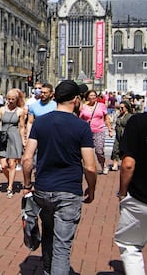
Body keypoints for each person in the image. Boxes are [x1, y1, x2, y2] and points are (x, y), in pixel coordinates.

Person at [22, 80, 97, 275]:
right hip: (69, 190)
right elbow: (90, 166)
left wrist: (27, 184)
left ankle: (48, 271)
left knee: (48, 236)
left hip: (44, 189)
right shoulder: (81, 127)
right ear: (76, 99)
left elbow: (27, 158)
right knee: (62, 247)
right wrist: (91, 188)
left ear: (55, 97)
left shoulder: (41, 121)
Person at [114, 73, 147, 275]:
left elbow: (127, 164)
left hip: (142, 197)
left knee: (130, 245)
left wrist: (122, 191)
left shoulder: (138, 122)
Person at [0, 88, 26, 198]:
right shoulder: (2, 110)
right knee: (3, 165)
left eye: (13, 99)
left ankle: (10, 187)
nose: (10, 101)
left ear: (17, 99)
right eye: (9, 99)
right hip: (4, 138)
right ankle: (9, 179)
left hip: (15, 137)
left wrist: (23, 139)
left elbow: (21, 127)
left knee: (12, 163)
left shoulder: (20, 111)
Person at [79, 90, 114, 174]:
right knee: (86, 151)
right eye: (91, 95)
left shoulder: (101, 106)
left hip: (99, 130)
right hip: (87, 131)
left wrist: (110, 129)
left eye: (94, 95)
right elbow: (80, 119)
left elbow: (106, 118)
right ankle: (89, 167)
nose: (93, 97)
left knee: (99, 150)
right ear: (87, 97)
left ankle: (103, 165)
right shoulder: (84, 107)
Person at [110, 101, 132, 171]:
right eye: (119, 108)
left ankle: (125, 165)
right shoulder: (119, 115)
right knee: (115, 150)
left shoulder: (130, 116)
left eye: (122, 108)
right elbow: (115, 124)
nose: (120, 109)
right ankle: (115, 165)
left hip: (126, 136)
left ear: (127, 108)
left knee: (125, 151)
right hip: (118, 136)